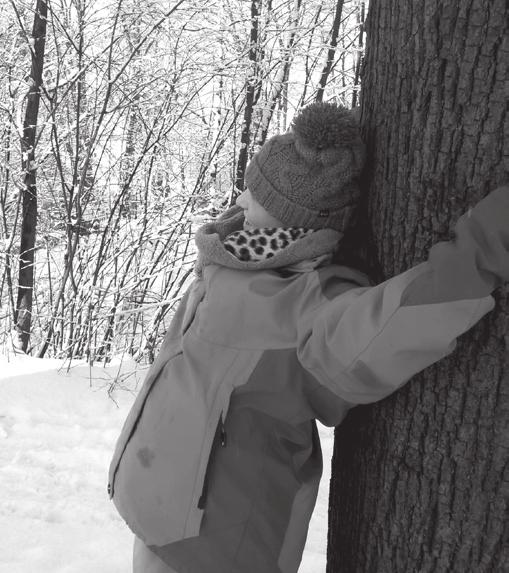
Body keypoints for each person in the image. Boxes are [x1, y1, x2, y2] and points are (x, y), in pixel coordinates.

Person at [108, 102, 509, 573]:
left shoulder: (303, 306)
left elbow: (393, 324)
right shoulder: (226, 262)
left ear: (291, 223)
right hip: (153, 510)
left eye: (255, 196)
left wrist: (486, 244)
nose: (239, 201)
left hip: (216, 543)